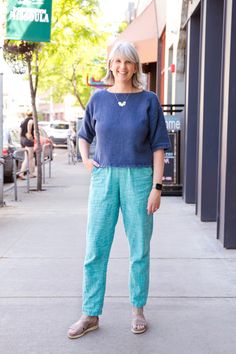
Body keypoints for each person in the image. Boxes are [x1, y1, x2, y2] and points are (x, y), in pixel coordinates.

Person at [67, 41, 171, 339]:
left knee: (139, 248)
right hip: (104, 177)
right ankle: (90, 313)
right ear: (110, 65)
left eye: (128, 62)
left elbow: (159, 146)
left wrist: (157, 187)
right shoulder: (98, 100)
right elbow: (84, 136)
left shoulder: (149, 100)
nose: (122, 67)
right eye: (117, 61)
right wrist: (87, 161)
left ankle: (138, 309)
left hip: (140, 179)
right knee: (95, 247)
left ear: (135, 66)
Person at [19, 110, 36, 179]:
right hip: (28, 140)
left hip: (22, 139)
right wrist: (30, 135)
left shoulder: (23, 121)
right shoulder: (31, 120)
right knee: (29, 158)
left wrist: (20, 140)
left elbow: (20, 131)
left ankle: (31, 173)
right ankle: (22, 173)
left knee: (29, 157)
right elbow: (30, 123)